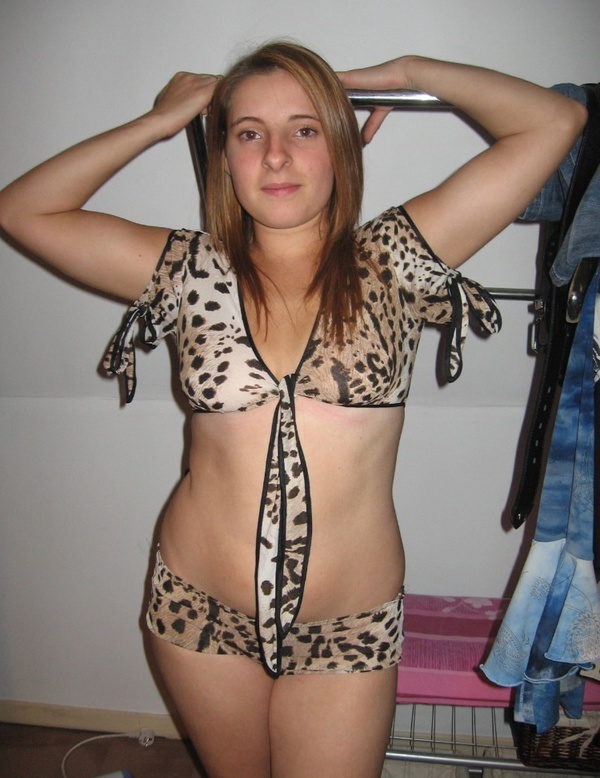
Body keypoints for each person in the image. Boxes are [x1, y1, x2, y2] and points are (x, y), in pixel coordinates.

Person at [0, 41, 586, 778]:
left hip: (347, 630)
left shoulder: (392, 259)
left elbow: (555, 122)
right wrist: (160, 121)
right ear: (225, 157)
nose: (276, 155)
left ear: (340, 144)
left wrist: (407, 74)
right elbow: (22, 210)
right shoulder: (187, 269)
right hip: (199, 612)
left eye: (304, 129)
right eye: (249, 133)